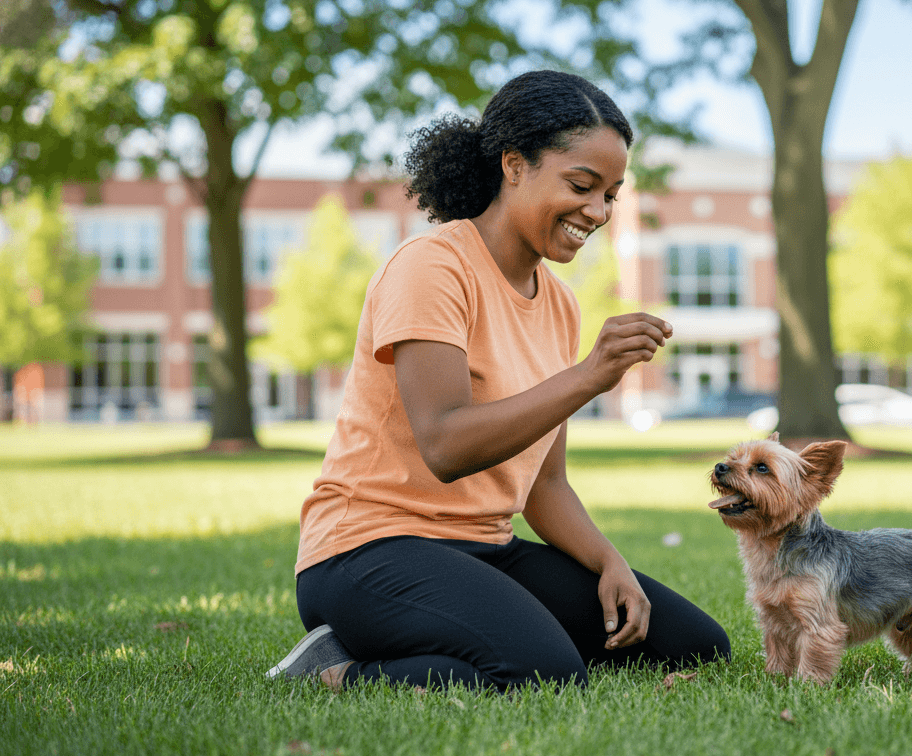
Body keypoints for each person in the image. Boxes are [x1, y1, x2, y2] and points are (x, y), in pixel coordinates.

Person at [266, 70, 730, 693]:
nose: (597, 211)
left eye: (611, 194)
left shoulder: (560, 304)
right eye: (581, 185)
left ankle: (457, 635)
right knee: (544, 671)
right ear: (514, 165)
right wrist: (589, 376)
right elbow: (446, 445)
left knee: (695, 646)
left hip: (487, 549)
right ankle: (336, 670)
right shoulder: (433, 267)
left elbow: (545, 482)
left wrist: (607, 561)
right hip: (368, 549)